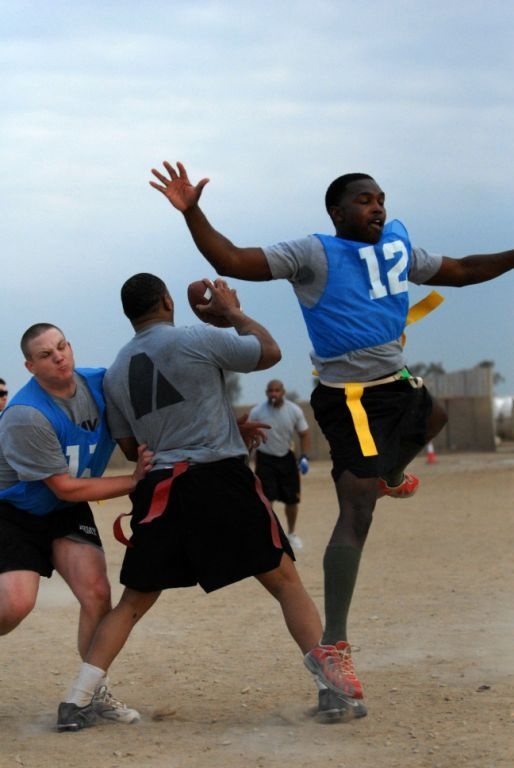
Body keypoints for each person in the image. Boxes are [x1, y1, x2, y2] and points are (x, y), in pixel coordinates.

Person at [149, 160, 514, 721]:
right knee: (358, 508)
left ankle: (391, 476)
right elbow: (232, 260)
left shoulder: (396, 246)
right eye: (366, 200)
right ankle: (333, 646)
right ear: (337, 212)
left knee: (435, 413)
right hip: (349, 398)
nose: (379, 208)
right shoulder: (312, 254)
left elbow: (462, 269)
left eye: (382, 199)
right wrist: (192, 210)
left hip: (395, 383)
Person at [58, 273, 367, 731]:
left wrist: (216, 426)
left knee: (134, 600)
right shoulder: (197, 338)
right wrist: (231, 312)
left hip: (161, 490)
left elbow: (130, 447)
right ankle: (332, 690)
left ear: (130, 314)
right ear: (166, 300)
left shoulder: (117, 372)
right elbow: (269, 352)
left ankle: (77, 698)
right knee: (284, 579)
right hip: (217, 479)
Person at [0, 323, 153, 724]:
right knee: (15, 604)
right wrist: (133, 481)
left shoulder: (101, 383)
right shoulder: (25, 415)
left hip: (64, 509)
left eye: (62, 346)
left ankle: (91, 691)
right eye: (46, 355)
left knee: (97, 593)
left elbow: (157, 399)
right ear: (30, 366)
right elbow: (65, 487)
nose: (59, 357)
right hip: (15, 512)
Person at [249, 379, 311, 549]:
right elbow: (247, 435)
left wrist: (304, 456)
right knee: (266, 501)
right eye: (271, 391)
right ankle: (269, 536)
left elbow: (304, 434)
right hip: (265, 459)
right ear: (266, 393)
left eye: (277, 390)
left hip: (287, 458)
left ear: (283, 392)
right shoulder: (257, 411)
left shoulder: (294, 410)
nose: (274, 394)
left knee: (292, 500)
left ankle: (291, 534)